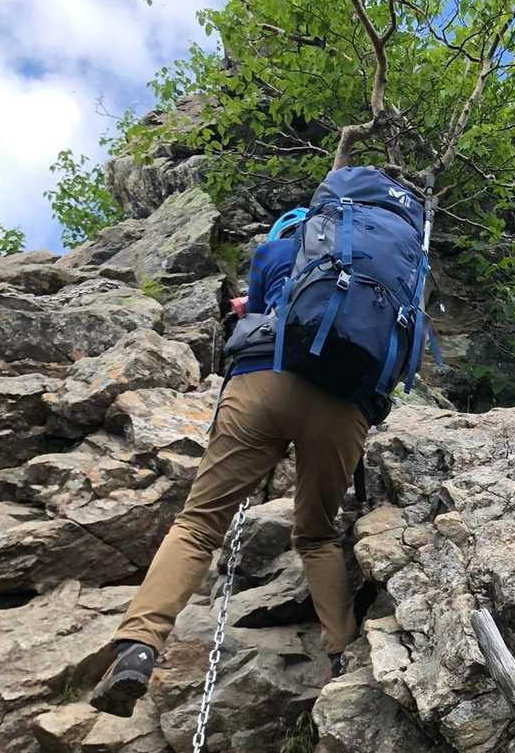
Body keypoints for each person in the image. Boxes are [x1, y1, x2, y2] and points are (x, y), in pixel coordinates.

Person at [91, 207, 378, 716]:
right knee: (316, 535)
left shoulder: (274, 251)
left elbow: (264, 315)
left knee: (199, 525)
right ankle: (341, 658)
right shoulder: (377, 273)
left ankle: (138, 647)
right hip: (344, 404)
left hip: (262, 382)